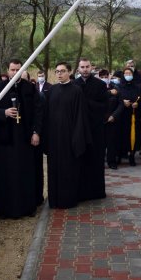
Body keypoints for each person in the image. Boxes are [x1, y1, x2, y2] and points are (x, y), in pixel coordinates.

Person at [0, 58, 43, 217]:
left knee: (26, 173)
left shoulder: (30, 88)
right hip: (7, 141)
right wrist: (4, 113)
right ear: (7, 71)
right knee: (8, 174)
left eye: (18, 70)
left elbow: (38, 112)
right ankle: (8, 209)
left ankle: (28, 207)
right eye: (12, 70)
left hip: (25, 140)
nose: (15, 73)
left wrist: (36, 132)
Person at [44, 62, 89, 208]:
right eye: (57, 71)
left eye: (62, 71)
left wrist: (76, 139)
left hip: (69, 139)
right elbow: (46, 115)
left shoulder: (76, 91)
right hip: (54, 139)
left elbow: (80, 117)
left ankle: (68, 200)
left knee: (68, 170)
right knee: (54, 170)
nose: (59, 74)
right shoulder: (51, 90)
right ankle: (54, 200)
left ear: (69, 72)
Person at [74, 58, 109, 201]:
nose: (85, 69)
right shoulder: (74, 85)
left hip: (96, 129)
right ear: (78, 69)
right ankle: (81, 192)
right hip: (79, 130)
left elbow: (105, 107)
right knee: (81, 161)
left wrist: (87, 103)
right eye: (82, 67)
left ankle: (96, 192)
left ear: (91, 68)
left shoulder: (100, 85)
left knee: (96, 160)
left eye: (87, 67)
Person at [118, 66, 141, 166]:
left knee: (133, 136)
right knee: (121, 137)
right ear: (123, 75)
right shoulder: (119, 87)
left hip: (133, 116)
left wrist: (137, 104)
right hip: (122, 116)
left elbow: (140, 100)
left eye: (130, 74)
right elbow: (115, 99)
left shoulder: (137, 87)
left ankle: (132, 156)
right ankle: (119, 156)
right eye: (126, 74)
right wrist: (123, 102)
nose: (128, 76)